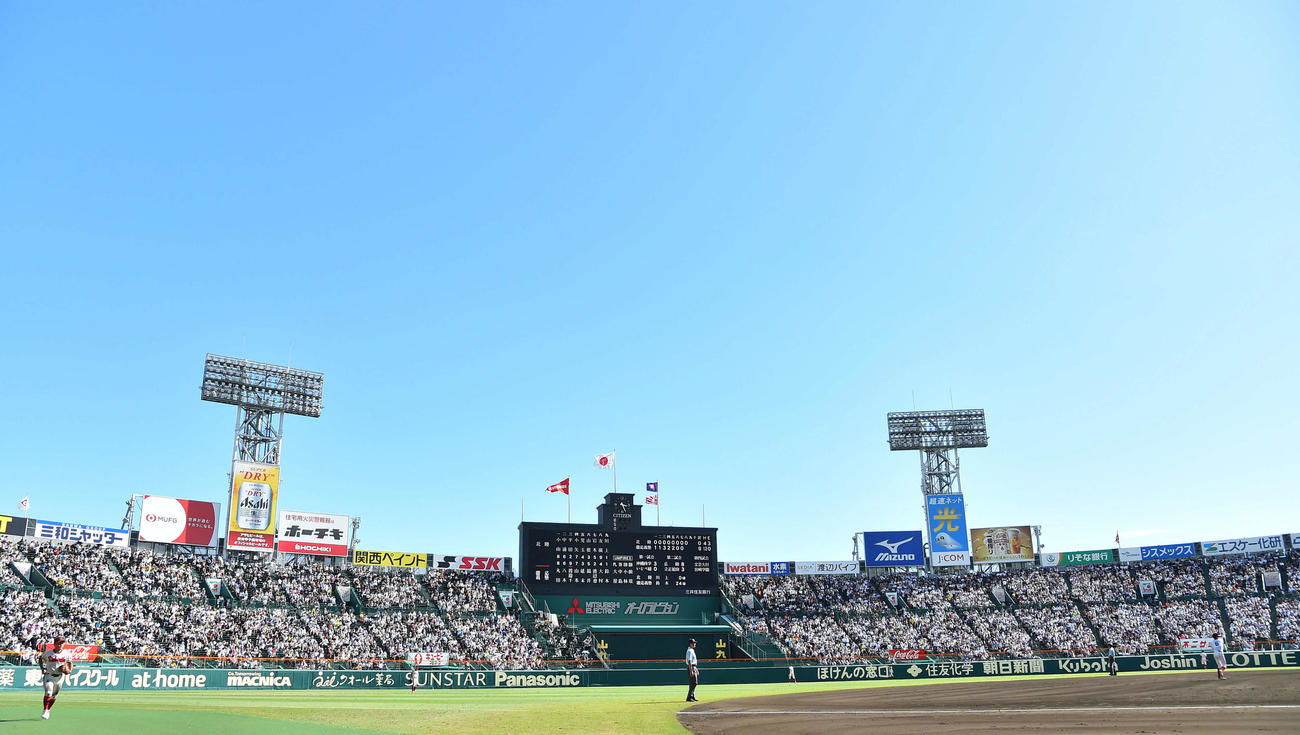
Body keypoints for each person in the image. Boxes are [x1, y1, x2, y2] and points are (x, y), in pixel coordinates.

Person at [38, 637, 73, 720]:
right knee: (48, 693)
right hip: (49, 676)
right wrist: (42, 668)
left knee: (54, 696)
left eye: (62, 643)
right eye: (59, 643)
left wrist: (70, 670)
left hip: (60, 677)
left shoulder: (66, 654)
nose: (61, 645)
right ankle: (45, 710)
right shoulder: (48, 653)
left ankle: (48, 709)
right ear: (55, 644)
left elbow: (70, 662)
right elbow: (40, 659)